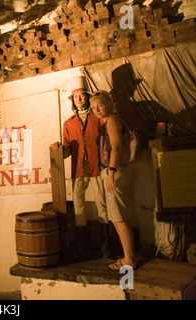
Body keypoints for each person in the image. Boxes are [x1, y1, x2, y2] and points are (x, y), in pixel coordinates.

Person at [51, 76, 110, 260]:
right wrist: (58, 148)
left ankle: (106, 247)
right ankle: (82, 249)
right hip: (78, 170)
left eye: (82, 96)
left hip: (97, 168)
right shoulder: (68, 123)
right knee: (78, 208)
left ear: (87, 97)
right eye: (76, 98)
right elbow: (68, 149)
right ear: (73, 101)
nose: (79, 100)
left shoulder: (98, 118)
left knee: (103, 206)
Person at [90, 90, 139, 270]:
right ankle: (129, 257)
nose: (97, 109)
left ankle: (129, 260)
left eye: (100, 105)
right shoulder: (109, 121)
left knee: (119, 217)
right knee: (118, 216)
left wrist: (110, 172)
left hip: (115, 172)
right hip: (116, 171)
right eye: (94, 107)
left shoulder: (111, 119)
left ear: (109, 104)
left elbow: (116, 147)